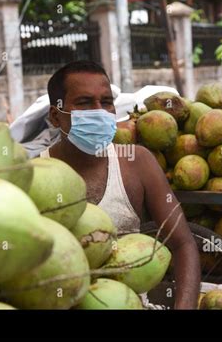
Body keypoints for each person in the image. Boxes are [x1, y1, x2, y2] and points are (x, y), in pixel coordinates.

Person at [39, 60, 200, 309]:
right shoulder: (33, 174)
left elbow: (182, 243)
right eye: (84, 103)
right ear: (55, 116)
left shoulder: (137, 163)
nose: (99, 111)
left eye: (106, 102)